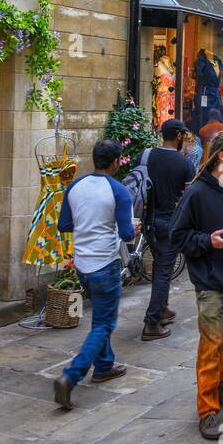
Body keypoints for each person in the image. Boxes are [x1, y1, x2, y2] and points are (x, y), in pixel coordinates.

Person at [170, 129, 223, 439]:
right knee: (211, 346)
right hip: (210, 283)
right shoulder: (197, 193)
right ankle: (207, 410)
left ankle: (220, 386)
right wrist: (208, 241)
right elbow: (177, 236)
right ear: (222, 156)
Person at [53, 140, 135, 409]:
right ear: (115, 162)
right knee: (104, 323)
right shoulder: (119, 191)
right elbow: (127, 234)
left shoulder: (75, 186)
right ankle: (72, 374)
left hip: (82, 264)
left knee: (100, 316)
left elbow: (65, 224)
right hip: (105, 263)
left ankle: (104, 365)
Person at [141, 119, 196, 341]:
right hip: (168, 223)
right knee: (164, 271)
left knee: (160, 265)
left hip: (149, 221)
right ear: (179, 136)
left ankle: (162, 309)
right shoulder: (184, 164)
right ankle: (152, 322)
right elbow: (189, 197)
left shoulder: (146, 156)